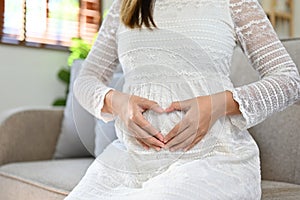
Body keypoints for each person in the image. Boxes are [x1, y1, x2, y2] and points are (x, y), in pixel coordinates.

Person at [66, 0, 300, 199]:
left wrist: (218, 104)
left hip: (213, 157)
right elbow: (86, 79)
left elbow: (289, 81)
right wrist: (116, 102)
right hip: (130, 160)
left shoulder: (234, 2)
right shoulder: (125, 6)